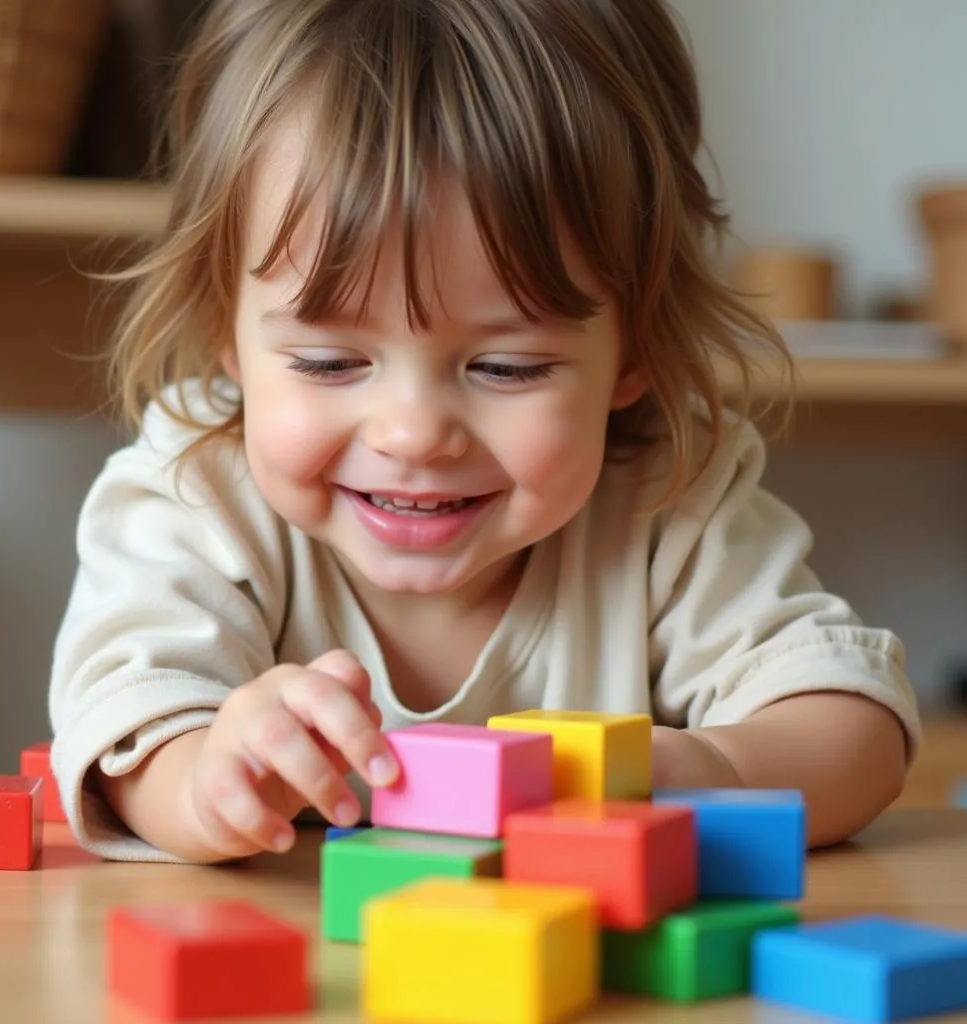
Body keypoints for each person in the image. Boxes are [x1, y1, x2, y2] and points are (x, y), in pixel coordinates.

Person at [49, 0, 919, 864]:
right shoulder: (196, 490)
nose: (414, 434)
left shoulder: (666, 495)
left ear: (633, 349)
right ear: (223, 336)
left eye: (506, 368)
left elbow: (854, 726)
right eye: (327, 363)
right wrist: (206, 777)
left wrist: (701, 767)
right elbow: (126, 727)